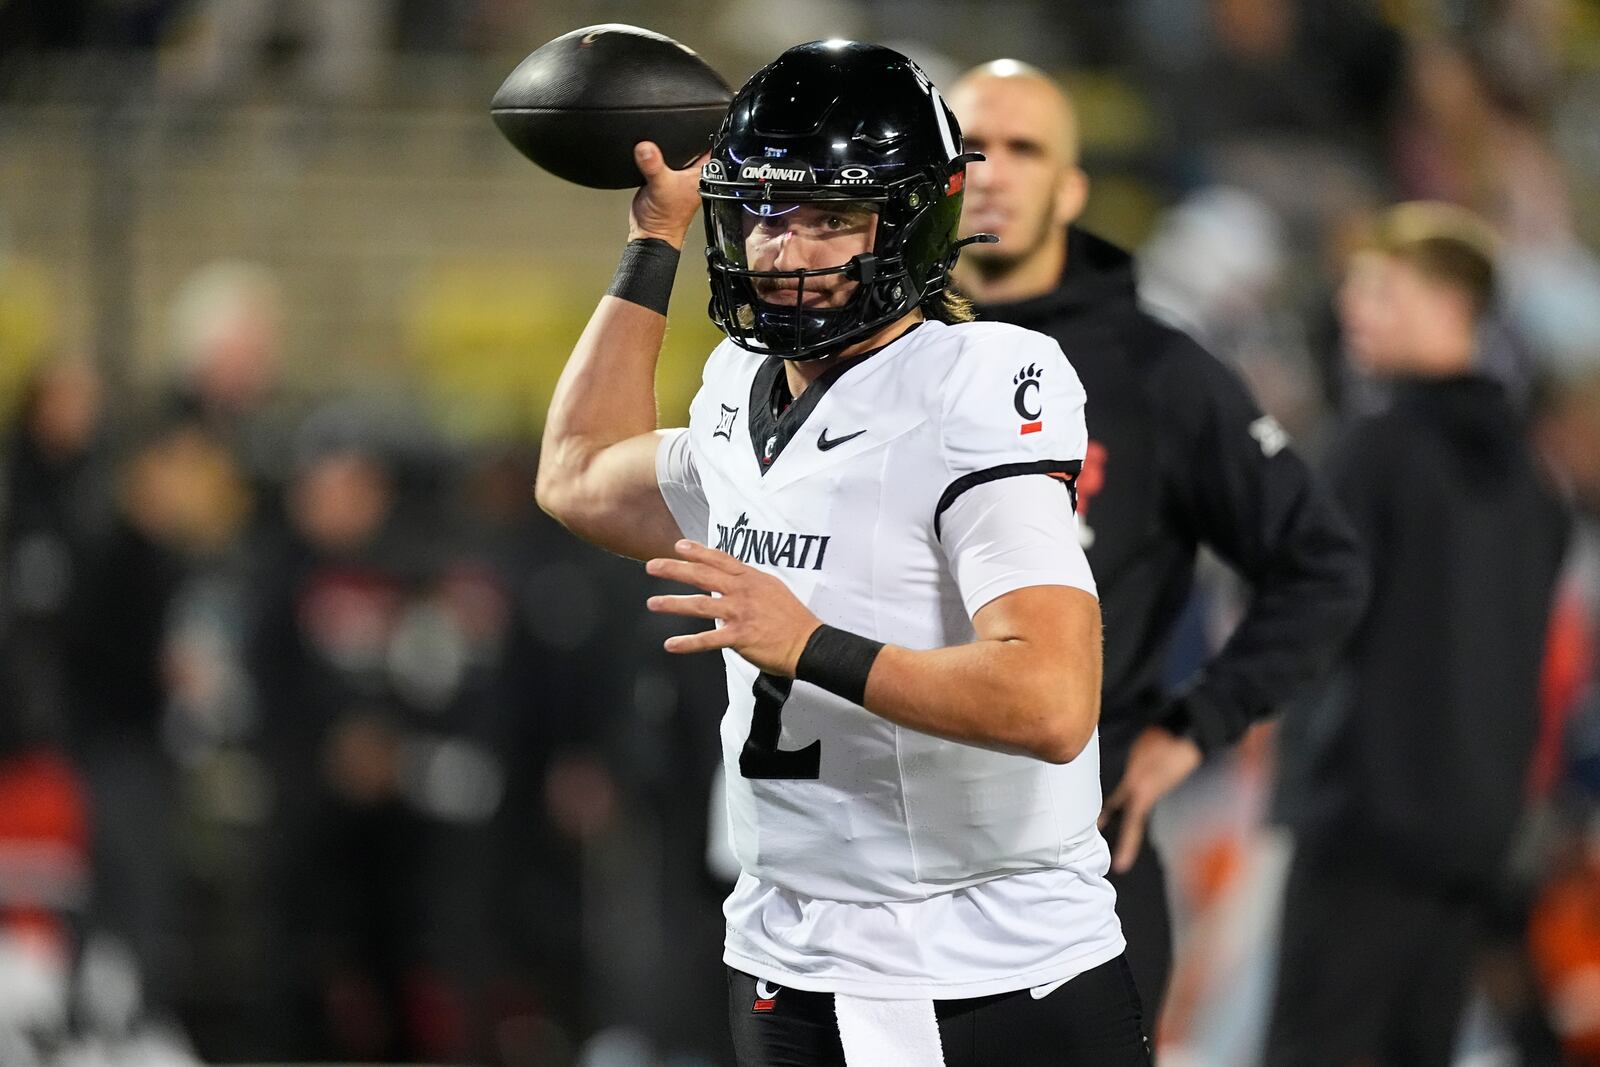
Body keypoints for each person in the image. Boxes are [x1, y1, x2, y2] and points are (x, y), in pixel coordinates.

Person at [536, 40, 1150, 1067]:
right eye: (768, 213)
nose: (784, 250)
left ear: (911, 222)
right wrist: (654, 240)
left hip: (971, 957)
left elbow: (1049, 696)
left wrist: (811, 640)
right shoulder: (741, 388)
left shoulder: (971, 384)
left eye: (829, 217)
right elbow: (578, 471)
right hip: (792, 943)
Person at [945, 60, 1370, 1020]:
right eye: (971, 149)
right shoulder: (866, 353)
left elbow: (1322, 565)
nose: (997, 173)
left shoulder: (1157, 375)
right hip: (885, 865)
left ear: (1074, 185)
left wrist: (1195, 727)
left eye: (1026, 149)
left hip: (1081, 855)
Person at [1264, 202, 1569, 1067]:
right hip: (1475, 833)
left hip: (1360, 825)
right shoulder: (1533, 478)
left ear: (1449, 306)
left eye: (1380, 290)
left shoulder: (1378, 448)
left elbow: (1309, 614)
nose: (1353, 308)